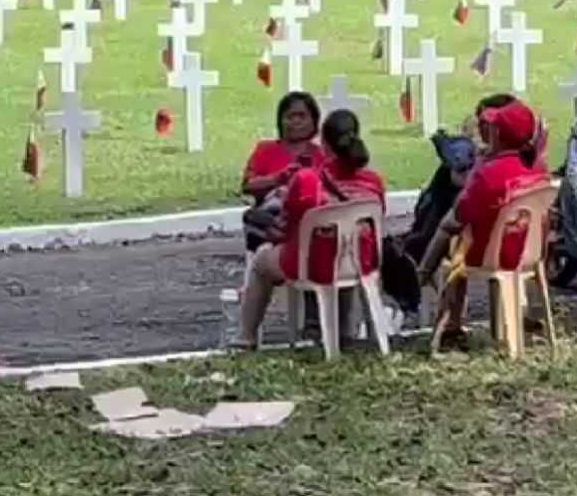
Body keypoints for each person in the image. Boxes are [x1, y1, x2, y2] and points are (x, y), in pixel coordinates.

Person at [233, 109, 387, 350]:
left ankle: (245, 338)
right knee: (343, 249)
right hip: (363, 261)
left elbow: (288, 229)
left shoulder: (308, 181)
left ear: (323, 144)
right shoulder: (373, 181)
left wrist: (271, 234)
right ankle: (343, 332)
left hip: (315, 265)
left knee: (262, 261)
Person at [416, 98, 550, 345]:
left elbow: (460, 213)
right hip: (530, 251)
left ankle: (449, 322)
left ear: (498, 136)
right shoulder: (539, 167)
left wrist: (480, 165)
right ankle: (519, 315)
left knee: (454, 239)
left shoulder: (489, 174)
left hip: (492, 253)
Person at [240, 91, 322, 252]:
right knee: (253, 217)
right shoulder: (265, 150)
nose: (296, 122)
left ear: (314, 121)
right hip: (272, 218)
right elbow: (247, 186)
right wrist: (278, 179)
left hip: (310, 218)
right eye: (290, 117)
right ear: (280, 121)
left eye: (302, 116)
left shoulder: (323, 154)